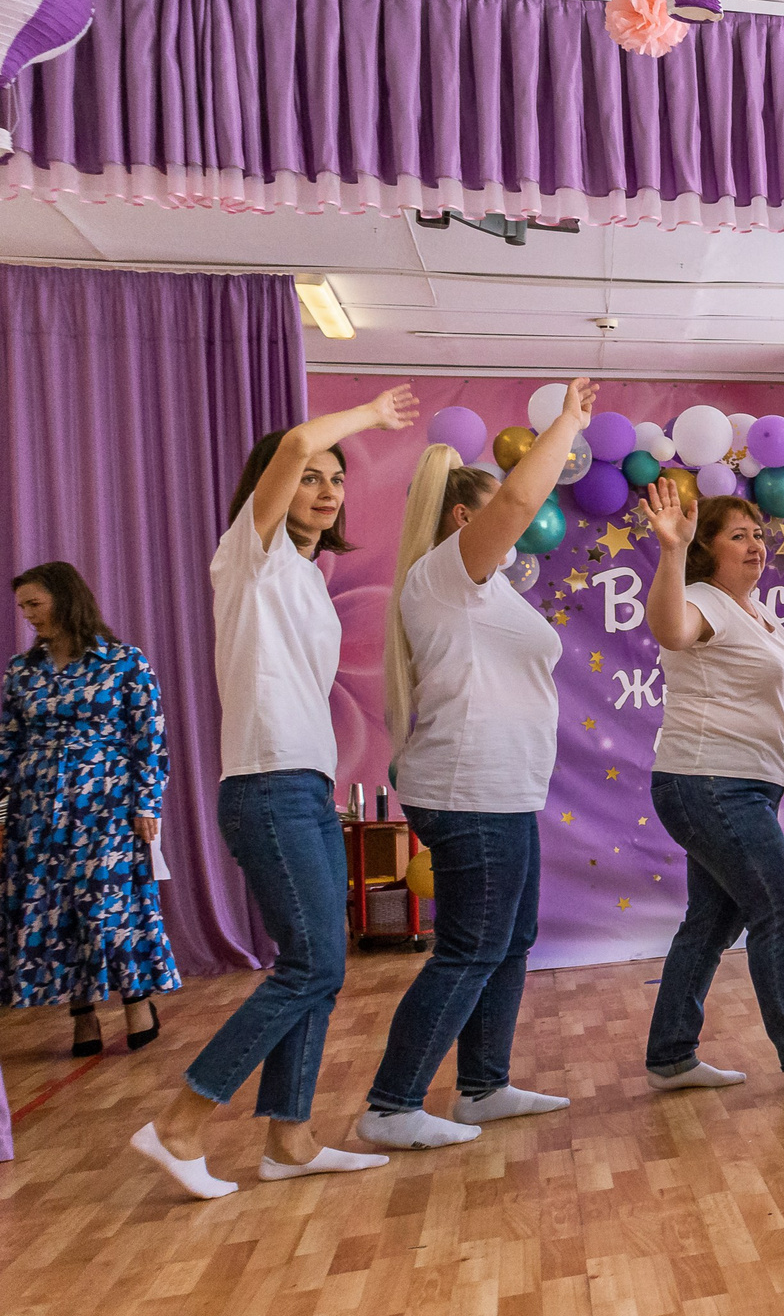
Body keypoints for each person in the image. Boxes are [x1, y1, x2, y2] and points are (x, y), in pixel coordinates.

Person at [130, 388, 420, 1200]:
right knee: (309, 966)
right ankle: (181, 1123)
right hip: (265, 785)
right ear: (271, 488)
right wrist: (365, 416)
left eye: (336, 480)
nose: (327, 489)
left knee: (322, 969)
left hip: (303, 784)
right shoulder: (246, 553)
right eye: (310, 478)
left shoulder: (302, 573)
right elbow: (294, 441)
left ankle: (289, 1139)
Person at [354, 378, 597, 1149]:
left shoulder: (486, 590)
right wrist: (566, 424)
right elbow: (520, 505)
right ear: (466, 518)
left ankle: (482, 1086)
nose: (516, 531)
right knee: (470, 947)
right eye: (493, 514)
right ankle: (390, 1105)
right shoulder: (446, 574)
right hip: (470, 790)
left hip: (502, 789)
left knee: (510, 938)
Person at [638, 482, 784, 1091]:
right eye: (737, 536)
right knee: (778, 907)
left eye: (758, 535)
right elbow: (670, 631)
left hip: (741, 784)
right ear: (705, 547)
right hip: (708, 780)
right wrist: (670, 551)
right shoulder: (701, 599)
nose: (754, 545)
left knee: (712, 923)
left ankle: (670, 1055)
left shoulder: (760, 613)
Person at [1, 562, 179, 1054]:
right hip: (36, 816)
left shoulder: (123, 662)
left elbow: (149, 738)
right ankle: (83, 1015)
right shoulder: (22, 671)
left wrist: (148, 802)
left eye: (34, 603)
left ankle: (136, 1002)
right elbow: (7, 747)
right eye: (23, 607)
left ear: (65, 599)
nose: (28, 615)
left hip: (108, 811)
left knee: (110, 909)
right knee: (58, 915)